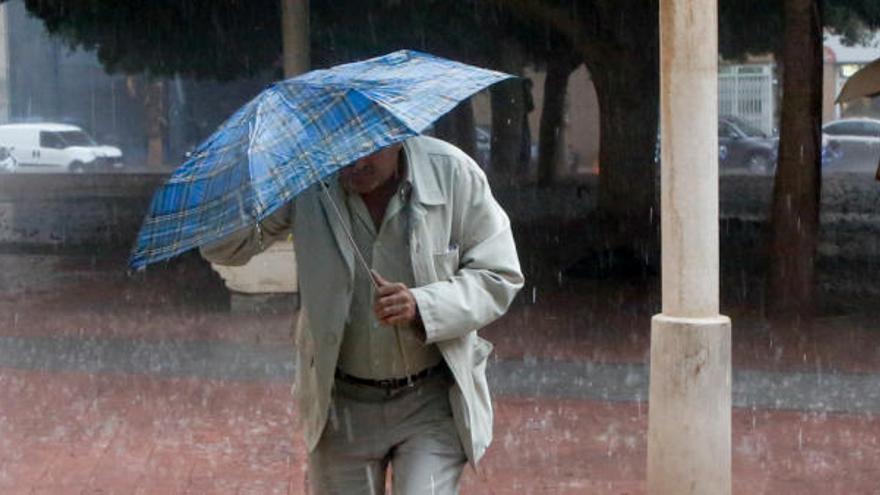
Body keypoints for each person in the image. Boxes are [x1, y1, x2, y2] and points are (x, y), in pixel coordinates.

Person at [201, 135, 523, 494]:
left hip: (432, 401)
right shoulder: (307, 179)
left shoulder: (452, 172)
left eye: (369, 149)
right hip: (342, 405)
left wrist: (423, 305)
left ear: (399, 136)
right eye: (344, 150)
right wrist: (248, 182)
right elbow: (223, 247)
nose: (355, 163)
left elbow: (498, 274)